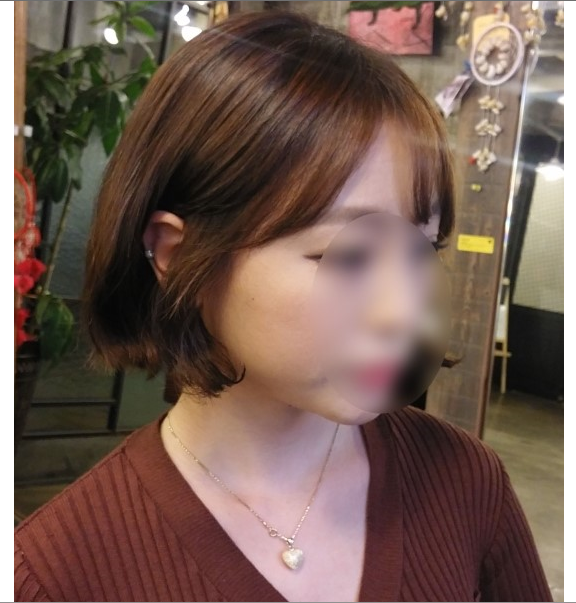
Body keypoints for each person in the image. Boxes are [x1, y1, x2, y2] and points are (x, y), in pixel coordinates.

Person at [15, 11, 552, 603]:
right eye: (350, 257)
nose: (403, 315)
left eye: (421, 250)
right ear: (177, 253)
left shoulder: (467, 483)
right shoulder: (57, 575)